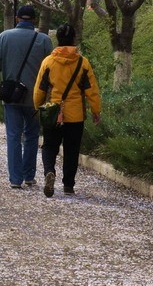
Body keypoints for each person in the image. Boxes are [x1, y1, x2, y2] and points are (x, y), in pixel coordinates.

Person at [33, 22, 102, 197]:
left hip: (53, 113)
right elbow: (91, 89)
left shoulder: (48, 62)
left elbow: (40, 89)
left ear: (58, 39)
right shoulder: (83, 63)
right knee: (72, 150)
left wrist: (37, 106)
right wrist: (96, 110)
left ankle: (50, 171)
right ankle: (68, 185)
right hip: (75, 114)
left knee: (49, 147)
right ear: (73, 39)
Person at [0, 4, 52, 189]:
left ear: (17, 18)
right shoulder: (44, 40)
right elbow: (50, 68)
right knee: (32, 135)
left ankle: (15, 179)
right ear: (34, 20)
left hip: (12, 95)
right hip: (35, 96)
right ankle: (29, 176)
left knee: (13, 135)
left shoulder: (4, 37)